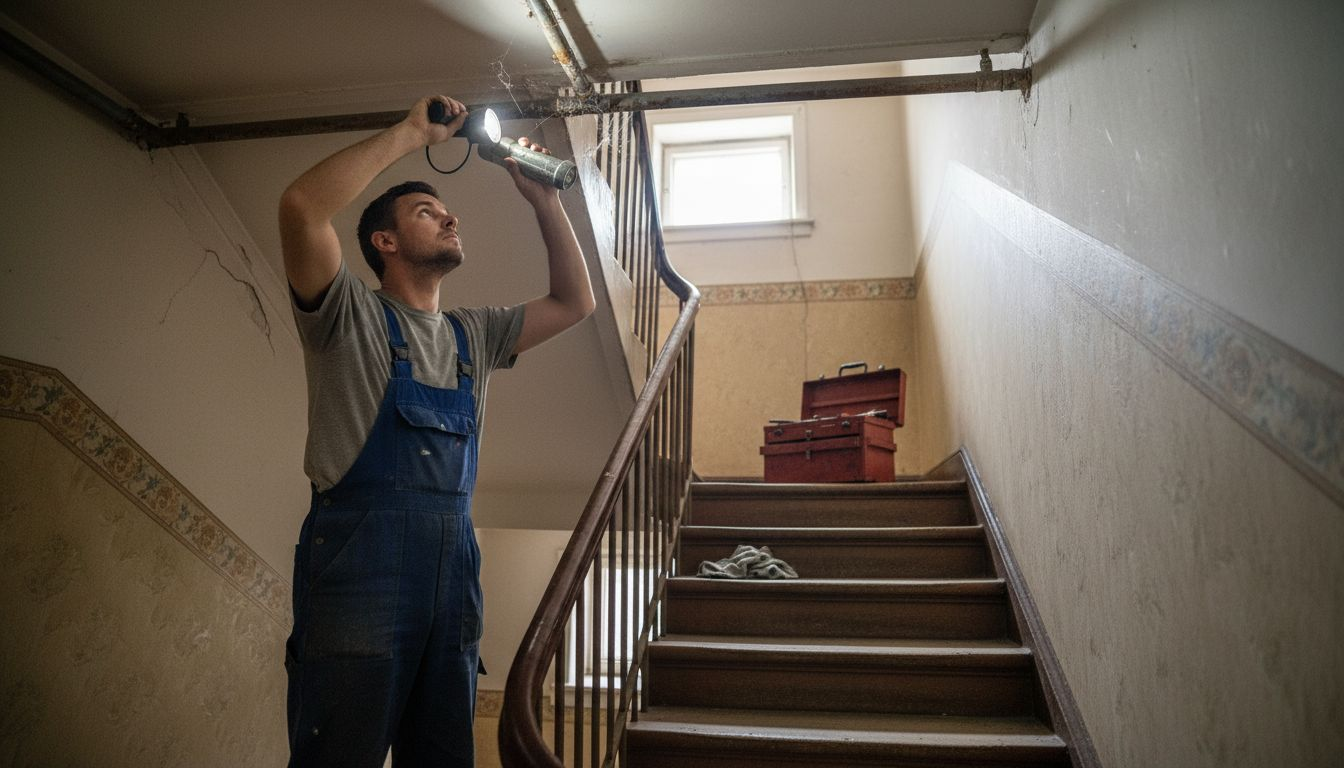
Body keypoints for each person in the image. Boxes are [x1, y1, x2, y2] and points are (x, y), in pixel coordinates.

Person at [278, 95, 594, 768]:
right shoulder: (345, 316)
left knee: (443, 753)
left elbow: (576, 302)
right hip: (358, 561)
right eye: (427, 210)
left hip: (453, 567)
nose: (450, 214)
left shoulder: (473, 333)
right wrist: (412, 133)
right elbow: (302, 206)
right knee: (339, 751)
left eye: (446, 210)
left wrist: (545, 203)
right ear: (384, 243)